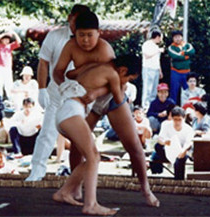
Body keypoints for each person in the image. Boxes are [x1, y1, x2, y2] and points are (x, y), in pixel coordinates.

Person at [54, 11, 159, 207]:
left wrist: (95, 92)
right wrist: (65, 87)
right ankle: (74, 188)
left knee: (134, 144)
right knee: (78, 145)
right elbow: (61, 72)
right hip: (85, 99)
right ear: (74, 33)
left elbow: (117, 80)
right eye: (81, 35)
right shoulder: (70, 46)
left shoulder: (105, 50)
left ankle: (145, 188)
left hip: (112, 95)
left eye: (90, 35)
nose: (85, 40)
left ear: (98, 33)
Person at [53, 55, 139, 216]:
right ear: (123, 70)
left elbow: (70, 74)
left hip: (67, 111)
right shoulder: (113, 74)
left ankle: (64, 192)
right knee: (93, 157)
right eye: (128, 79)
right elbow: (119, 99)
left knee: (93, 157)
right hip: (72, 112)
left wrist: (95, 86)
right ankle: (90, 204)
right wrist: (112, 87)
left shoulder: (94, 65)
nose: (126, 83)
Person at [26, 4, 91, 182]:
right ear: (70, 17)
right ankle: (37, 171)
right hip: (56, 92)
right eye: (77, 19)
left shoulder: (90, 39)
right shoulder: (55, 36)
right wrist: (41, 88)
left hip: (81, 94)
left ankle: (79, 175)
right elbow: (43, 63)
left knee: (82, 137)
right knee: (47, 132)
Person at [150, 107, 195, 180]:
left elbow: (188, 143)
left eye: (179, 120)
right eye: (175, 119)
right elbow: (160, 138)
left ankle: (179, 180)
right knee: (157, 147)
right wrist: (165, 142)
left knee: (181, 159)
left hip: (182, 152)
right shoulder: (165, 125)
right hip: (167, 150)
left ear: (183, 118)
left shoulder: (188, 129)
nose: (177, 122)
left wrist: (183, 151)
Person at [168, 30, 195, 104]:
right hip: (175, 72)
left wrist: (183, 53)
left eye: (179, 37)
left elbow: (192, 51)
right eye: (175, 37)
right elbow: (175, 56)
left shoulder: (187, 45)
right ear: (173, 38)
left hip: (187, 73)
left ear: (182, 37)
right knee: (174, 91)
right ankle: (172, 109)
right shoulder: (171, 47)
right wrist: (186, 57)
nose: (177, 39)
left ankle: (190, 108)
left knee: (189, 91)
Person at [0, 30, 21, 99]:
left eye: (8, 39)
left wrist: (14, 33)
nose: (7, 40)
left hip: (7, 68)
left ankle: (11, 100)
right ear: (2, 39)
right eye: (5, 39)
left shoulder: (10, 46)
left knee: (9, 85)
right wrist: (5, 34)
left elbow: (19, 42)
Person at [141, 30, 164, 110]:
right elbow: (147, 55)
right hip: (148, 69)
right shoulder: (147, 44)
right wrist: (158, 50)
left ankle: (152, 107)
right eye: (160, 37)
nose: (161, 40)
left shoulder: (156, 46)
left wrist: (160, 71)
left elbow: (157, 60)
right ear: (157, 37)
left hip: (156, 69)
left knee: (154, 90)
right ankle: (145, 107)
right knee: (147, 89)